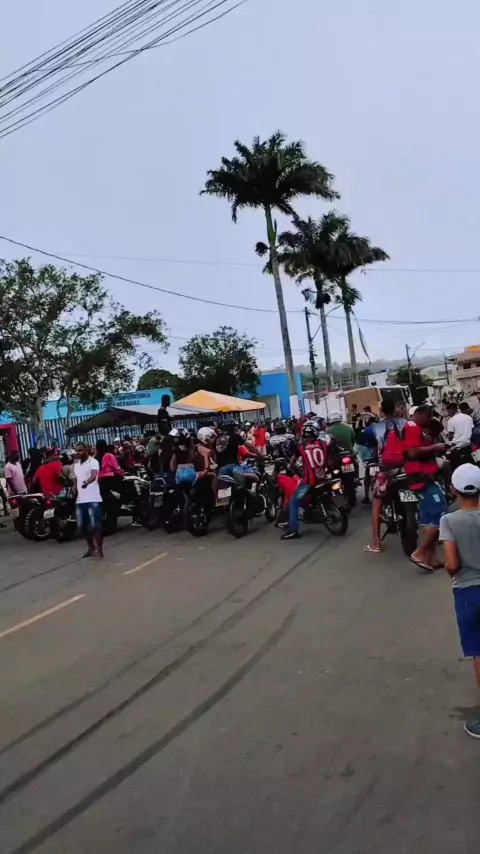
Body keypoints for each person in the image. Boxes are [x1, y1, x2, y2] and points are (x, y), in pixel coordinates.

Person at [439, 464, 480, 738]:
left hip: (468, 592)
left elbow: (452, 564)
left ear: (454, 490)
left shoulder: (449, 521)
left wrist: (448, 568)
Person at [401, 405, 449, 570]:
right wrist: (436, 447)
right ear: (424, 415)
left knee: (428, 517)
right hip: (421, 477)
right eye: (429, 418)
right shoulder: (412, 427)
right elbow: (413, 452)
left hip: (424, 476)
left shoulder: (417, 428)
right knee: (439, 513)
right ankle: (420, 552)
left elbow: (436, 429)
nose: (430, 422)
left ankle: (432, 557)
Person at [363, 398, 408, 550]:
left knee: (377, 502)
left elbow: (368, 445)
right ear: (395, 409)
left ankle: (376, 543)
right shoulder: (406, 423)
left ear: (381, 411)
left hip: (386, 469)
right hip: (406, 466)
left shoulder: (374, 428)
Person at [281, 421, 333, 541]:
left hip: (309, 481)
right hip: (325, 477)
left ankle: (293, 530)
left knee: (293, 501)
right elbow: (330, 459)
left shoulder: (301, 447)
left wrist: (290, 466)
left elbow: (293, 460)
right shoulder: (323, 444)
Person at [74, 442, 103, 559]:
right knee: (81, 526)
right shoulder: (76, 465)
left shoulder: (93, 462)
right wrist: (73, 490)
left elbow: (93, 475)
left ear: (86, 450)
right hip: (80, 500)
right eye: (76, 450)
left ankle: (99, 550)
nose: (78, 453)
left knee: (96, 525)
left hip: (93, 499)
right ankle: (91, 548)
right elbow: (76, 479)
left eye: (80, 450)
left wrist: (87, 482)